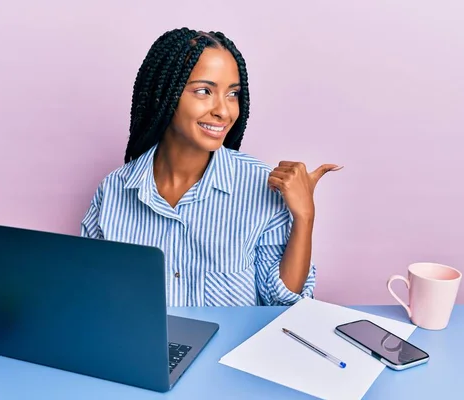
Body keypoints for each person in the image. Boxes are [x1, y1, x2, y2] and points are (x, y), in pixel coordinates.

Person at [80, 28, 342, 307]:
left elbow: (281, 304)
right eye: (204, 91)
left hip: (231, 351)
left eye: (232, 94)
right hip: (140, 349)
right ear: (165, 95)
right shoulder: (114, 191)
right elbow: (93, 296)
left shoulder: (262, 186)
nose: (224, 111)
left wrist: (304, 217)